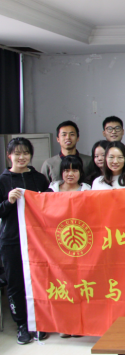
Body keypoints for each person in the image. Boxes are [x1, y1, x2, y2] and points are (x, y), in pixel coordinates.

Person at [0, 138, 50, 344]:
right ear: (9, 156)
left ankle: (40, 322)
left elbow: (51, 204)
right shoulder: (3, 180)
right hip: (11, 240)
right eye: (17, 153)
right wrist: (8, 201)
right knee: (15, 283)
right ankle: (21, 324)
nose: (22, 157)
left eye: (26, 153)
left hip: (37, 240)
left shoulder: (39, 179)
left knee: (40, 280)